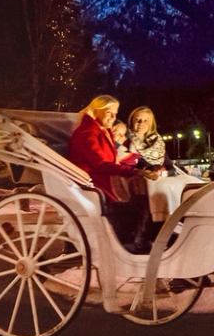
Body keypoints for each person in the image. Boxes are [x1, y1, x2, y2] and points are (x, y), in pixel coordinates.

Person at [68, 94, 161, 254]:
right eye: (109, 112)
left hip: (103, 177)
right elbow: (101, 164)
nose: (113, 117)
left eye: (116, 113)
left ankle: (143, 238)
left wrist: (137, 170)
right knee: (143, 195)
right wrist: (135, 171)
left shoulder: (101, 131)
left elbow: (113, 161)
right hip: (94, 181)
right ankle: (136, 241)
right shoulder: (87, 133)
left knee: (147, 190)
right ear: (97, 110)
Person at [128, 106, 170, 172]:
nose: (141, 123)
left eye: (145, 121)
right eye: (137, 120)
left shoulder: (157, 142)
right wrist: (151, 169)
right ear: (131, 121)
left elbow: (170, 167)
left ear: (151, 124)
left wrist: (163, 171)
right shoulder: (125, 139)